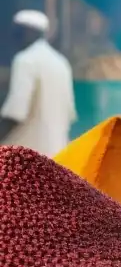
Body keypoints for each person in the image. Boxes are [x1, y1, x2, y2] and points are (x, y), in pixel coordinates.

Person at [0, 10, 76, 157]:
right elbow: (69, 113)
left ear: (29, 32)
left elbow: (16, 113)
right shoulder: (61, 62)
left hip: (29, 154)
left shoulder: (25, 60)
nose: (13, 37)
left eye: (17, 32)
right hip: (57, 153)